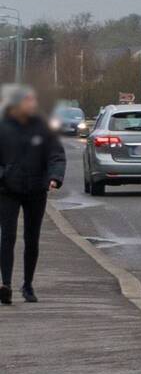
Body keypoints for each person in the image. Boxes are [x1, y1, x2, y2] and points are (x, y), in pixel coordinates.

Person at [0, 83, 65, 305]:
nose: (32, 104)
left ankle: (28, 285)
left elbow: (56, 155)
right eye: (27, 101)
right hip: (7, 189)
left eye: (32, 100)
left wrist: (55, 177)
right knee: (7, 236)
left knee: (32, 239)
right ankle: (5, 284)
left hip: (36, 189)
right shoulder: (3, 126)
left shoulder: (42, 127)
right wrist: (3, 174)